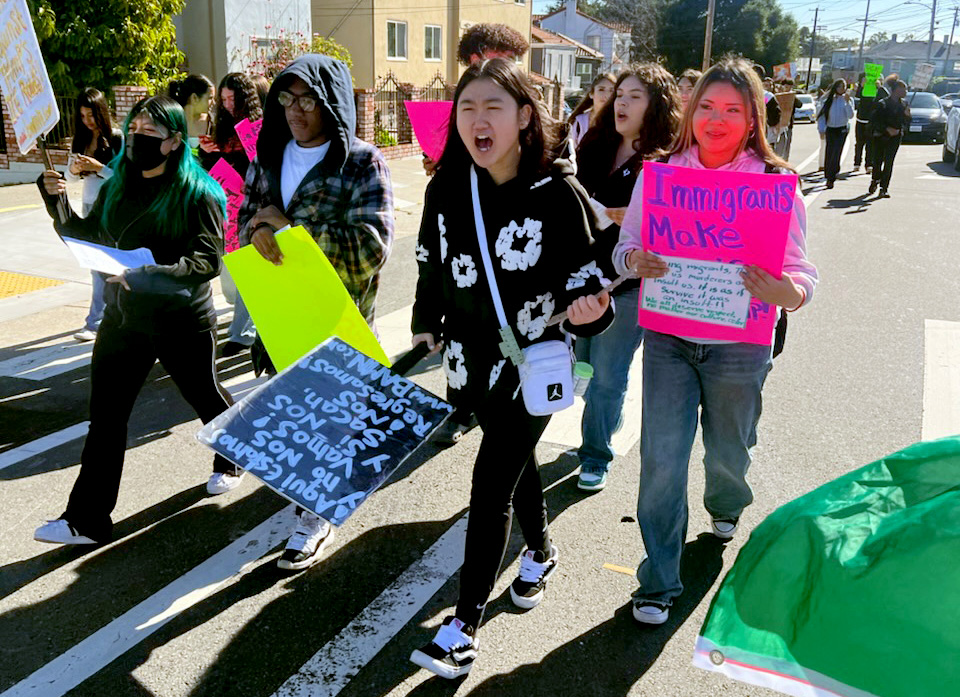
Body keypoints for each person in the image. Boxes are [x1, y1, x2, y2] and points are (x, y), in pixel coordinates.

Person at [408, 57, 613, 679]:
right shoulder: (445, 187)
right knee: (513, 459)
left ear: (525, 117)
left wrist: (591, 310)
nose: (477, 120)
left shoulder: (558, 195)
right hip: (470, 360)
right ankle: (543, 551)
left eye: (493, 106)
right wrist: (425, 322)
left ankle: (463, 624)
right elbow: (429, 265)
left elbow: (585, 285)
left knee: (490, 478)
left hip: (532, 361)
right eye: (466, 108)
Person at [612, 56, 818, 626]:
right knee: (661, 461)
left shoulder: (775, 185)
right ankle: (658, 578)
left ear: (753, 118)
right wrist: (635, 260)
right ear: (690, 112)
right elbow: (622, 248)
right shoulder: (661, 175)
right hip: (669, 342)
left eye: (733, 109)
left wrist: (786, 292)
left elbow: (803, 273)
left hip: (740, 346)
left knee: (730, 451)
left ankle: (726, 504)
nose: (717, 119)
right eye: (707, 106)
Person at [33, 95, 235, 545]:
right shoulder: (115, 187)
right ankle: (85, 520)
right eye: (135, 127)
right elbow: (87, 237)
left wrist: (145, 275)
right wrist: (57, 203)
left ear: (173, 142)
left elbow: (204, 262)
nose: (138, 137)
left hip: (182, 321)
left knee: (204, 396)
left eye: (151, 131)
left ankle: (230, 456)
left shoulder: (198, 193)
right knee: (106, 418)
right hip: (123, 320)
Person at [237, 55, 394, 570]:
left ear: (332, 103)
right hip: (282, 315)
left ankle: (313, 517)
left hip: (337, 318)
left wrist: (291, 233)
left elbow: (370, 250)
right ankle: (316, 494)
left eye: (307, 100)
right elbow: (243, 220)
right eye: (286, 99)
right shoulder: (269, 156)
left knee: (330, 421)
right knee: (303, 419)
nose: (295, 111)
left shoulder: (361, 162)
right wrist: (256, 232)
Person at [572, 64, 681, 491]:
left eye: (635, 96)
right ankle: (600, 426)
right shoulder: (593, 144)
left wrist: (629, 220)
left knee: (608, 374)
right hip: (582, 276)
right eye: (620, 94)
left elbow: (674, 227)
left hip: (629, 286)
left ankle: (595, 453)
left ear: (656, 104)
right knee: (582, 364)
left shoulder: (666, 159)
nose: (621, 102)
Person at [424, 23, 530, 444]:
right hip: (467, 306)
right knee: (467, 357)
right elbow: (429, 255)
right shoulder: (450, 173)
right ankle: (461, 408)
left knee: (510, 435)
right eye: (468, 108)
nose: (479, 117)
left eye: (507, 59)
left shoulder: (548, 162)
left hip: (523, 313)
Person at [202, 73, 264, 358]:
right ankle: (248, 327)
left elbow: (259, 166)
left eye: (233, 99)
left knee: (248, 272)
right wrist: (209, 152)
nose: (227, 105)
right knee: (231, 279)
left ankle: (242, 334)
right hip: (227, 208)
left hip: (254, 210)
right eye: (223, 99)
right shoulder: (222, 127)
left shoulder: (259, 128)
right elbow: (212, 167)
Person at [66, 88, 124, 342]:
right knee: (95, 265)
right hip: (89, 206)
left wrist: (98, 168)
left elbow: (122, 178)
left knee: (109, 265)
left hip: (112, 208)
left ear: (101, 112)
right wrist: (75, 168)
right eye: (82, 116)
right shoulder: (80, 140)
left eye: (91, 115)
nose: (87, 121)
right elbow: (68, 178)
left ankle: (97, 321)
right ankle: (99, 319)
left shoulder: (117, 138)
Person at [868, 79, 910, 198]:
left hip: (895, 137)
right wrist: (886, 129)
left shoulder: (904, 104)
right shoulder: (882, 103)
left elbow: (907, 122)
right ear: (896, 90)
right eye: (903, 89)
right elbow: (875, 120)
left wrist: (907, 117)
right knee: (877, 161)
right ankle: (875, 179)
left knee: (889, 162)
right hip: (881, 136)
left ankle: (884, 188)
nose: (905, 92)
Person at [817, 79, 854, 189]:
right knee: (830, 152)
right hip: (831, 129)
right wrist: (821, 129)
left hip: (842, 129)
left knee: (837, 152)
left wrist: (847, 102)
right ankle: (828, 174)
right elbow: (821, 116)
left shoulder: (847, 100)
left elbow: (850, 115)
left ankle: (832, 176)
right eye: (839, 87)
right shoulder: (828, 99)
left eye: (843, 87)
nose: (841, 89)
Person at [168, 74, 214, 152]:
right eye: (210, 98)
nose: (214, 103)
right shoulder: (171, 124)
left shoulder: (214, 124)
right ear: (194, 98)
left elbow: (227, 160)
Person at [568, 72, 616, 147]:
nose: (607, 95)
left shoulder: (619, 122)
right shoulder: (579, 122)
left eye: (611, 91)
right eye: (601, 89)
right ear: (591, 94)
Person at [852, 72, 875, 173]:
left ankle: (869, 164)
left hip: (870, 122)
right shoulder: (861, 90)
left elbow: (883, 96)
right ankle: (857, 164)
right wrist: (861, 86)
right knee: (859, 144)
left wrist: (878, 86)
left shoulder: (874, 90)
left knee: (870, 145)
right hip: (860, 121)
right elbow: (858, 96)